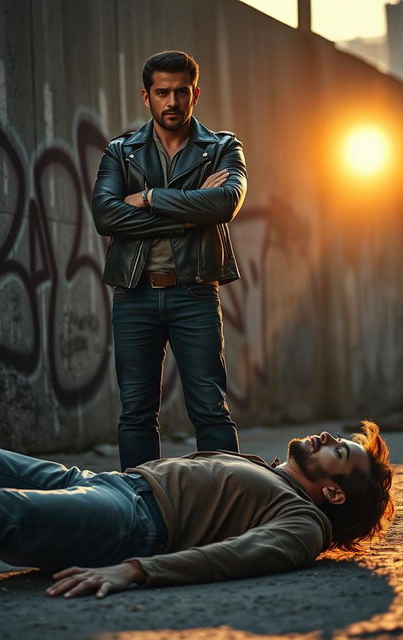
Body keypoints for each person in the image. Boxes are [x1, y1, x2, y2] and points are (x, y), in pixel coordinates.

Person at [0, 421, 394, 598]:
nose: (327, 437)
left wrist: (136, 569)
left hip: (128, 521)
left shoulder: (304, 524)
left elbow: (237, 556)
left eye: (338, 451)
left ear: (336, 493)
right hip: (106, 484)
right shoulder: (272, 473)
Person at [92, 50, 247, 470]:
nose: (172, 102)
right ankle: (139, 507)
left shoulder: (221, 149)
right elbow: (106, 214)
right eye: (163, 92)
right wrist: (186, 219)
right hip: (135, 295)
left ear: (195, 93)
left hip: (194, 294)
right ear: (147, 96)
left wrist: (148, 198)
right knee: (137, 414)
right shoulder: (121, 152)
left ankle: (228, 502)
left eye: (181, 92)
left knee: (210, 410)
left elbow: (226, 202)